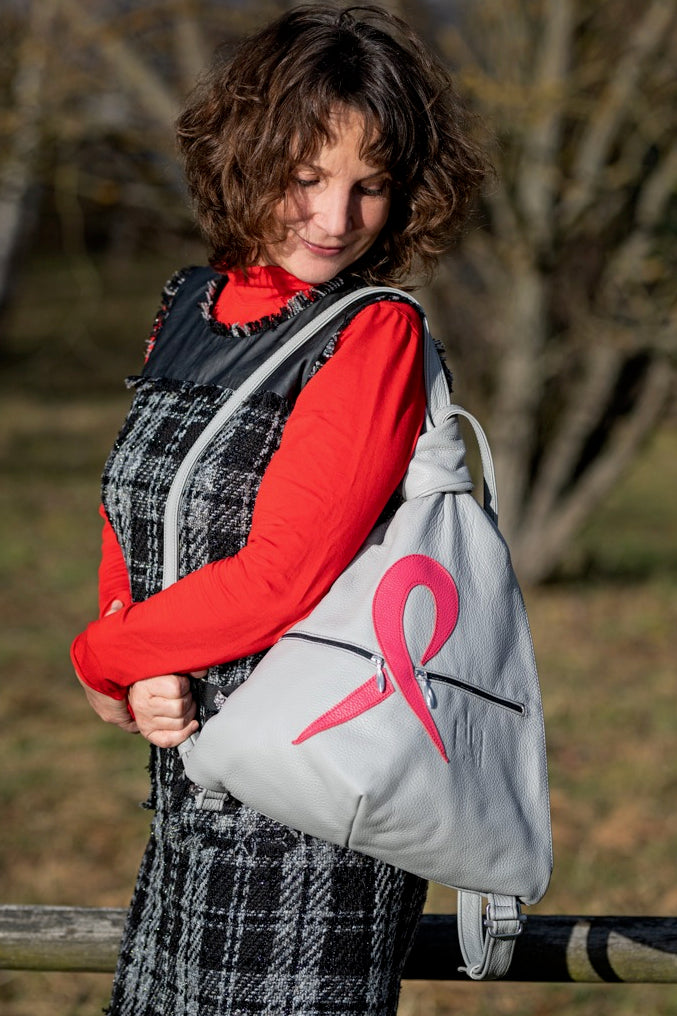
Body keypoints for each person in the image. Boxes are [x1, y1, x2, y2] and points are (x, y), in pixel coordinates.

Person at [71, 5, 489, 1014]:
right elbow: (134, 503)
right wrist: (130, 666)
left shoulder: (370, 334)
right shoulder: (189, 306)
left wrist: (102, 654)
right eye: (305, 175)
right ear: (246, 154)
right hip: (191, 795)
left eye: (368, 185)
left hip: (310, 815)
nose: (335, 217)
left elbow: (280, 576)